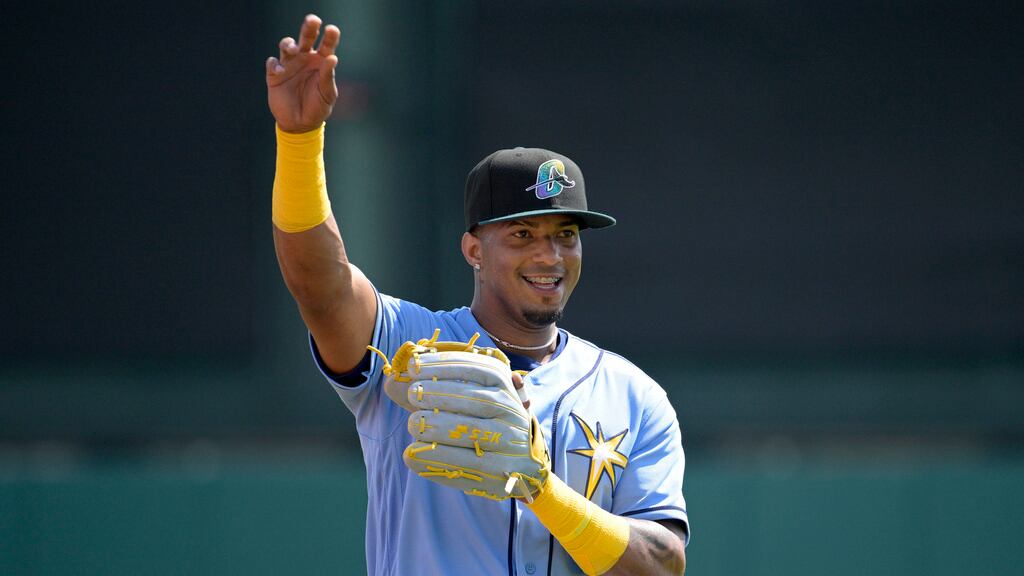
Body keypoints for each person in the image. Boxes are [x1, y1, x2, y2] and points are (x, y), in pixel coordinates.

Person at [266, 14, 688, 576]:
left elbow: (661, 565)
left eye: (566, 235)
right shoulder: (407, 345)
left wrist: (543, 489)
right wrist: (299, 144)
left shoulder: (634, 395)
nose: (549, 256)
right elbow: (320, 286)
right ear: (473, 250)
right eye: (522, 235)